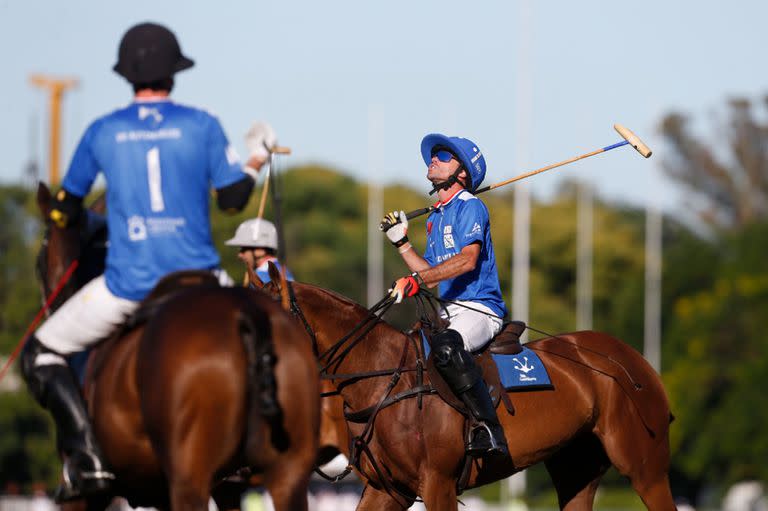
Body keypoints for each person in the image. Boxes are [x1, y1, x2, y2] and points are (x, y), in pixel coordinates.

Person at [20, 22, 263, 501]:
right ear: (174, 72)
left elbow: (65, 210)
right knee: (270, 334)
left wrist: (61, 212)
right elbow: (233, 198)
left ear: (127, 75)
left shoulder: (103, 130)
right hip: (203, 282)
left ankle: (87, 461)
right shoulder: (202, 123)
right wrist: (255, 159)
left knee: (39, 353)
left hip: (127, 285)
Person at [379, 134, 509, 457]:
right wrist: (402, 245)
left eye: (443, 156)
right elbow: (432, 276)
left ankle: (489, 429)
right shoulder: (436, 217)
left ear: (461, 173)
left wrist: (414, 279)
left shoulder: (471, 207)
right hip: (448, 311)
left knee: (447, 348)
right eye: (433, 154)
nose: (433, 159)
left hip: (480, 308)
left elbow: (467, 260)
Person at [225, 217, 294, 283]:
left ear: (260, 250)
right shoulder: (284, 272)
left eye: (243, 249)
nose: (239, 255)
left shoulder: (260, 278)